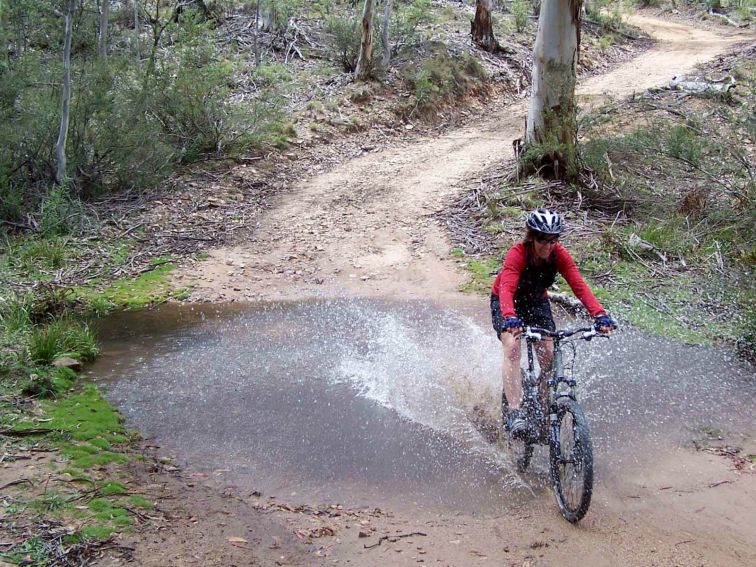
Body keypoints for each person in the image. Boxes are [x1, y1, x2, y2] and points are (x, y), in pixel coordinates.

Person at [490, 208, 614, 437]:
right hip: (507, 302)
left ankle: (545, 411)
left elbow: (579, 285)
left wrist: (599, 314)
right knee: (513, 346)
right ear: (531, 237)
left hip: (536, 302)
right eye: (542, 240)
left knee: (549, 352)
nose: (547, 246)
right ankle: (515, 412)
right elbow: (506, 288)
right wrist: (509, 317)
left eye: (552, 240)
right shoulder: (518, 254)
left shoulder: (560, 255)